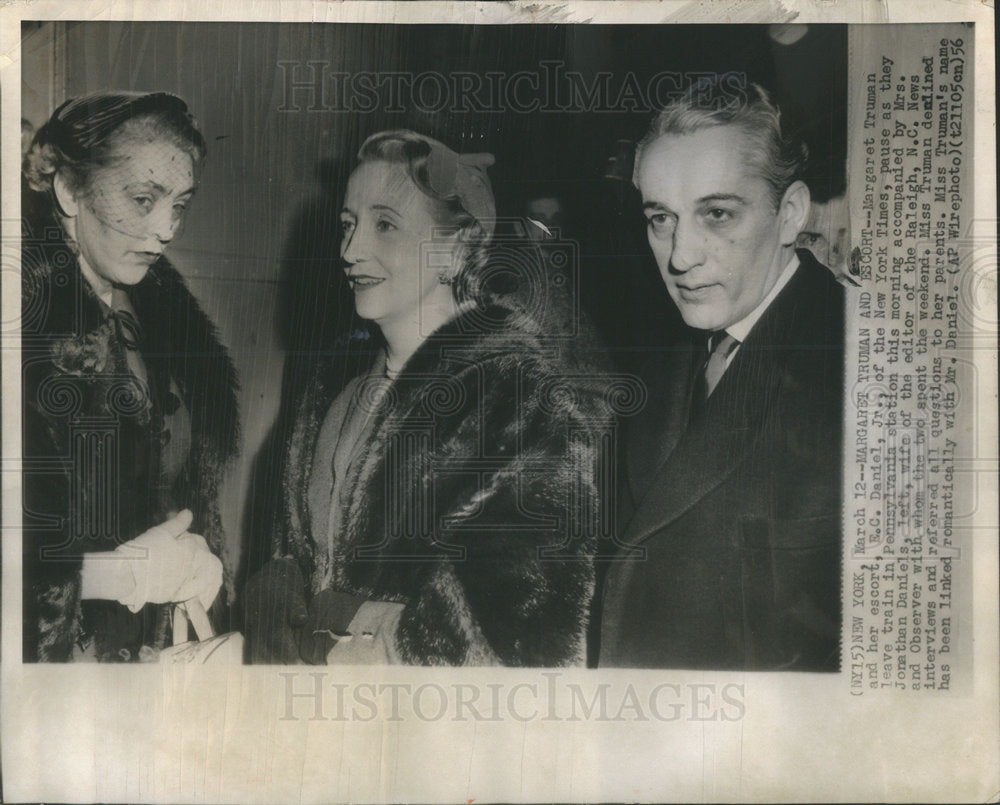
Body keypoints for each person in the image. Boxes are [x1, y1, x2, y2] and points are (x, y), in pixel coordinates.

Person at [245, 130, 607, 666]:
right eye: (348, 225)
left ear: (455, 249)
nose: (351, 250)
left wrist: (359, 641)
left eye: (385, 225)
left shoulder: (524, 403)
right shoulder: (331, 391)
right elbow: (288, 560)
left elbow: (530, 637)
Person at [596, 81, 844, 670]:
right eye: (661, 218)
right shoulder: (661, 365)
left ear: (789, 214)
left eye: (717, 214)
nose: (681, 256)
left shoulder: (864, 368)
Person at [21, 91, 240, 662]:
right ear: (70, 190)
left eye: (180, 204)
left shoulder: (154, 311)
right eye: (144, 199)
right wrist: (117, 576)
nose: (167, 229)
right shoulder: (21, 327)